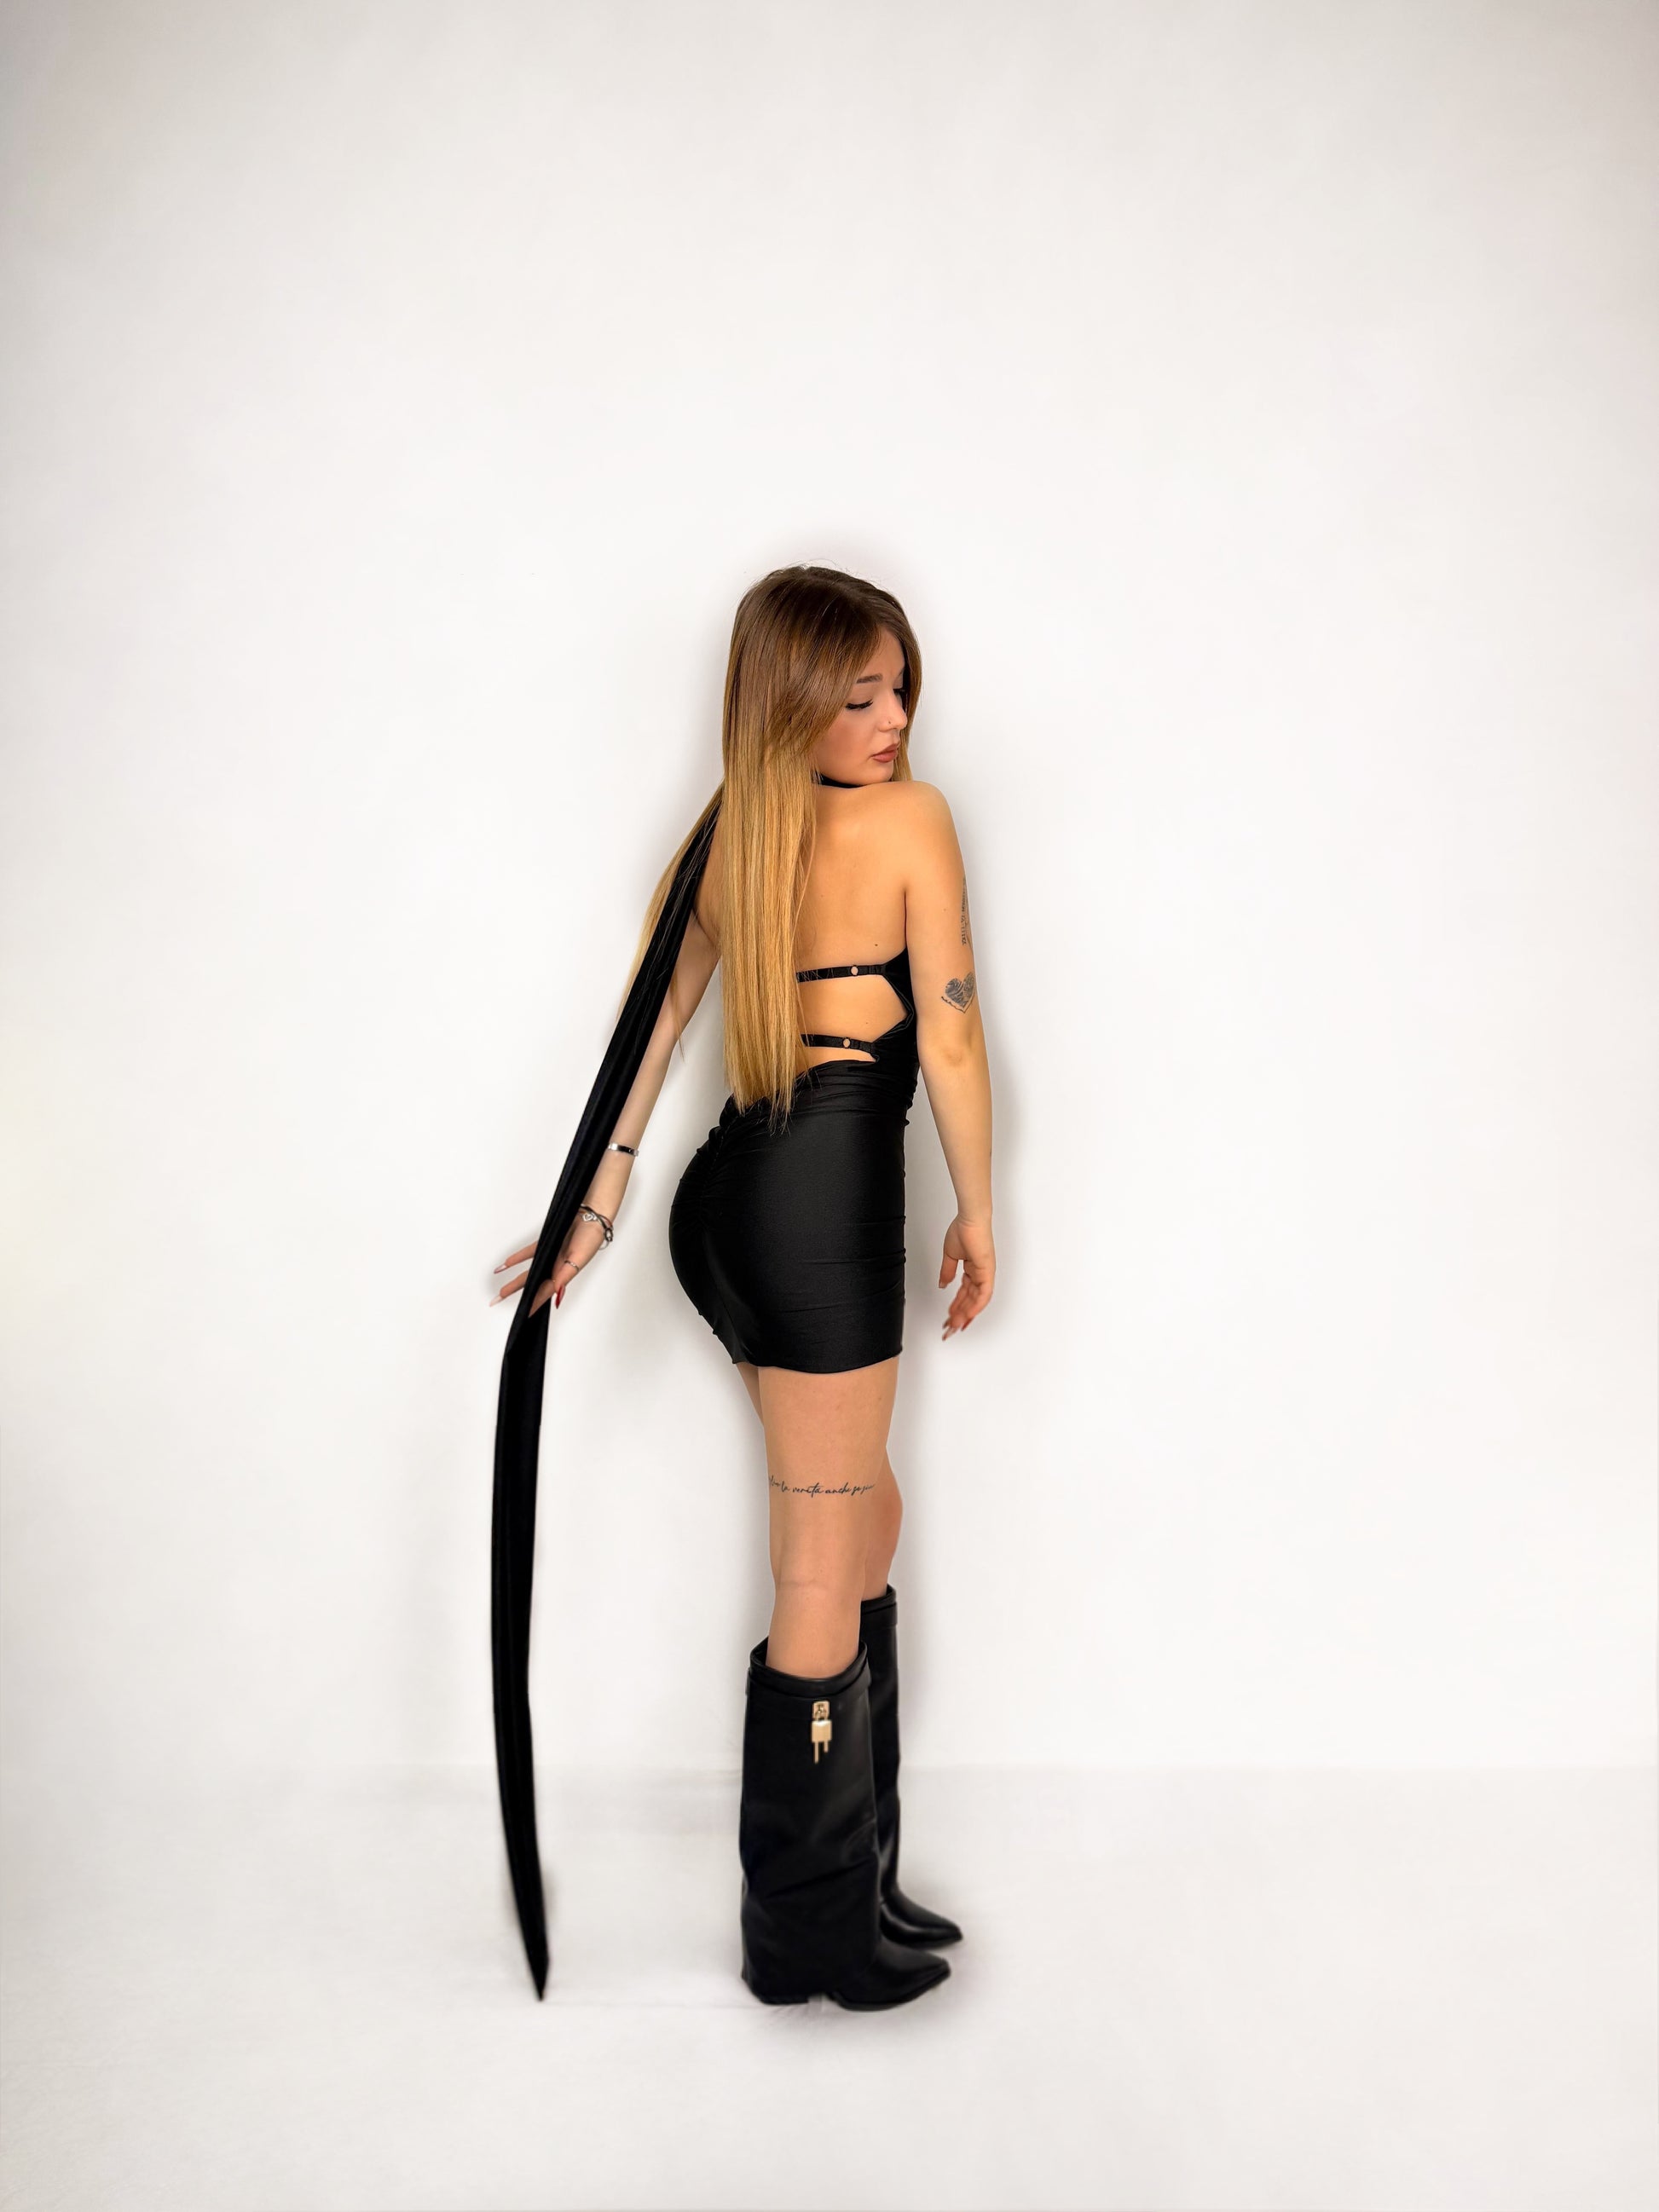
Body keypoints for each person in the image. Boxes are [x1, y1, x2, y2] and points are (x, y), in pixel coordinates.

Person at [490, 564, 995, 2009]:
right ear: (789, 700)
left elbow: (649, 1027)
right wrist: (979, 1207)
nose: (893, 720)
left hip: (730, 1210)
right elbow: (950, 1040)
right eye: (859, 694)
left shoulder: (728, 834)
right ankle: (803, 1932)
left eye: (901, 689)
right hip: (821, 1214)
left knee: (865, 1519)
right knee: (820, 1563)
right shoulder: (910, 823)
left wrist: (603, 1205)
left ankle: (859, 1869)